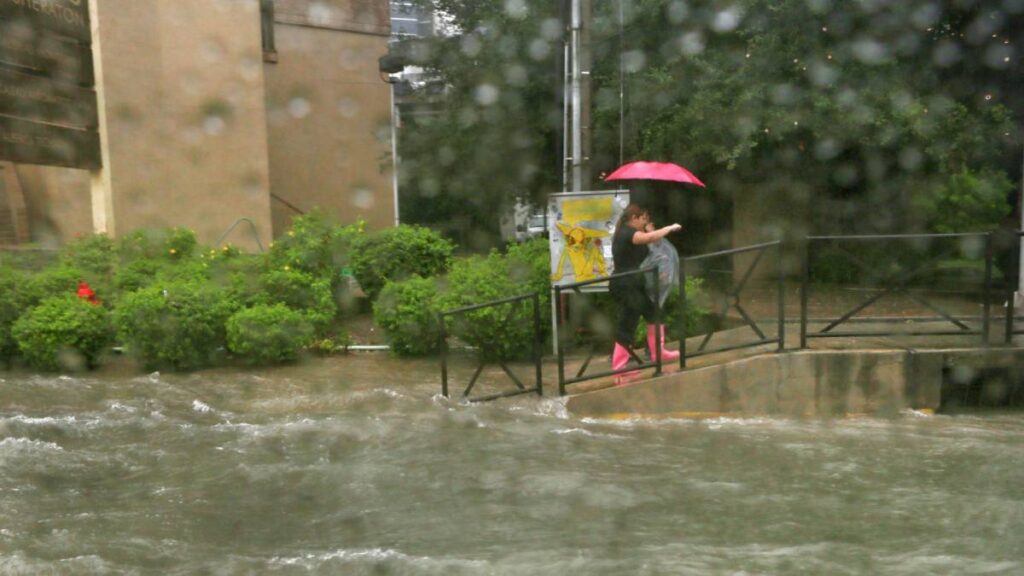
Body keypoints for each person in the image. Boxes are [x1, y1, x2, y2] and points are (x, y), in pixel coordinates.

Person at [610, 204, 682, 375]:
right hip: (625, 284)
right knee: (629, 320)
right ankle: (619, 364)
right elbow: (647, 239)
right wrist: (669, 228)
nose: (644, 222)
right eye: (643, 219)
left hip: (634, 283)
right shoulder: (626, 233)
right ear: (634, 218)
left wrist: (650, 232)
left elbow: (651, 249)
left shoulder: (633, 233)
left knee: (654, 314)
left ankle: (659, 353)